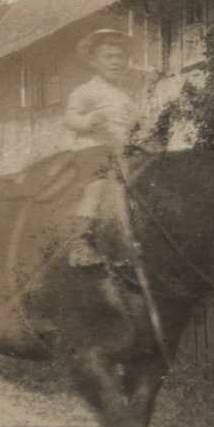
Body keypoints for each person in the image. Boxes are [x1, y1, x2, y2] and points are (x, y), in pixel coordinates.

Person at [63, 28, 143, 267]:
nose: (116, 62)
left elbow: (131, 122)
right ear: (94, 61)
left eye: (120, 57)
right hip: (93, 149)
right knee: (96, 189)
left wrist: (138, 124)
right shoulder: (86, 91)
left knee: (138, 189)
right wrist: (87, 121)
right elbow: (71, 117)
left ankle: (126, 240)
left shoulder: (124, 95)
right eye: (108, 57)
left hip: (122, 150)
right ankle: (80, 243)